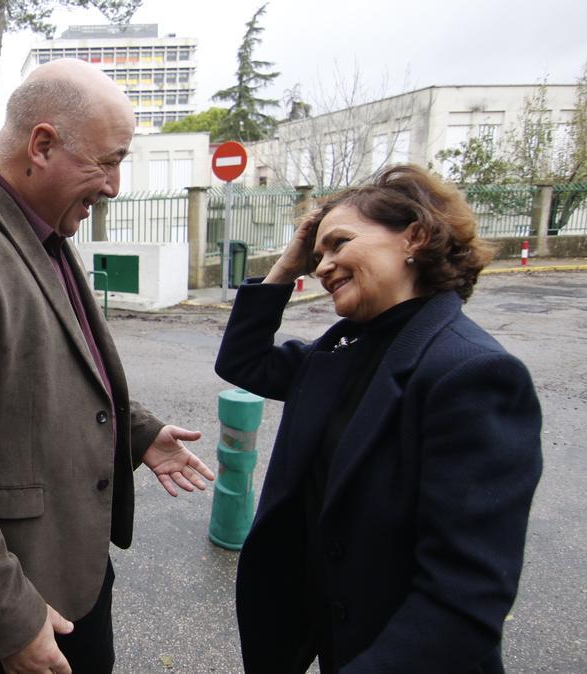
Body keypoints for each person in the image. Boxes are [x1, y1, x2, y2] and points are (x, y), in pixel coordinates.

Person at [0, 58, 215, 673]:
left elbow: (45, 369)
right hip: (15, 587)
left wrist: (137, 432)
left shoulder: (39, 229)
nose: (113, 186)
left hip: (63, 560)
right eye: (108, 161)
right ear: (43, 145)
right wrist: (8, 616)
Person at [215, 164, 543, 673]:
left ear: (415, 236)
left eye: (340, 243)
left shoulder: (472, 373)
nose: (322, 266)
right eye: (317, 253)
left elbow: (461, 600)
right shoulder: (340, 349)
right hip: (332, 639)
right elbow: (243, 362)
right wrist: (286, 266)